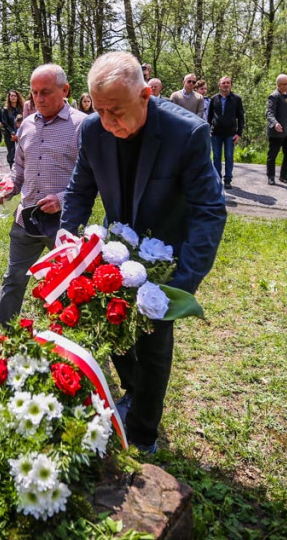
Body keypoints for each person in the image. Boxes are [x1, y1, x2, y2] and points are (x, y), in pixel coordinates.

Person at [61, 51, 227, 453]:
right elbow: (80, 190)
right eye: (98, 110)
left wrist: (183, 282)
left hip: (164, 253)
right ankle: (132, 391)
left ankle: (143, 433)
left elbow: (209, 210)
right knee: (115, 324)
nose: (107, 122)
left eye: (115, 111)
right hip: (116, 249)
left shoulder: (186, 133)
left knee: (152, 338)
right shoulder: (92, 131)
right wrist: (67, 236)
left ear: (145, 97)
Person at [0, 64, 87, 325]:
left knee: (73, 286)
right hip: (26, 219)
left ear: (65, 90)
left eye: (45, 92)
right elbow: (20, 168)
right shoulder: (27, 126)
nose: (39, 99)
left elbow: (94, 179)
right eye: (34, 93)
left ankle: (76, 348)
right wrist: (7, 188)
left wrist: (62, 199)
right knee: (13, 279)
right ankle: (2, 339)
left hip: (65, 224)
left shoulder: (82, 126)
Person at [208, 76, 245, 189]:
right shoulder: (214, 99)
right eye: (223, 83)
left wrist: (239, 133)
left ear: (231, 85)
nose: (226, 85)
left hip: (230, 134)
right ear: (219, 85)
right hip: (216, 134)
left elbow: (241, 117)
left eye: (228, 83)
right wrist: (209, 130)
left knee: (229, 156)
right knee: (216, 157)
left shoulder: (236, 99)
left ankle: (228, 179)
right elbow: (209, 116)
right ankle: (217, 179)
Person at [265, 74, 287, 186]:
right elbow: (269, 112)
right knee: (273, 154)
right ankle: (270, 176)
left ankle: (284, 175)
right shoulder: (274, 96)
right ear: (279, 85)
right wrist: (274, 123)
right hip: (278, 130)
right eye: (286, 84)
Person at [1, 89, 25, 167]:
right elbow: (5, 122)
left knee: (21, 152)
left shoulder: (22, 108)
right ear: (9, 97)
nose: (13, 97)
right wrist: (12, 132)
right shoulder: (5, 109)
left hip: (21, 133)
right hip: (9, 134)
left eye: (15, 96)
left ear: (18, 97)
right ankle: (12, 169)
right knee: (11, 152)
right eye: (11, 96)